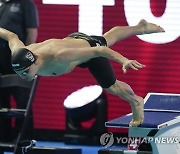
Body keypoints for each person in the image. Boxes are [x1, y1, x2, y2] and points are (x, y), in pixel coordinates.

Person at [0, 19, 164, 127]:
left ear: (35, 61)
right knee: (108, 37)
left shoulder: (58, 56)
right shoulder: (20, 52)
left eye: (25, 72)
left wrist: (124, 60)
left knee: (112, 85)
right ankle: (141, 26)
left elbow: (99, 50)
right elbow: (10, 35)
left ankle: (136, 101)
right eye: (18, 72)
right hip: (72, 43)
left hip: (89, 48)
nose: (21, 76)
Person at [0, 0, 39, 142]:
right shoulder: (3, 3)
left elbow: (32, 32)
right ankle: (4, 139)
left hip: (16, 56)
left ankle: (24, 139)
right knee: (2, 100)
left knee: (22, 98)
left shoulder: (26, 4)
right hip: (0, 57)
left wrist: (26, 59)